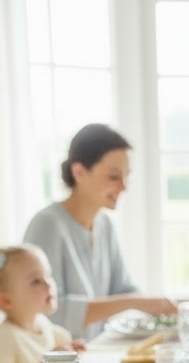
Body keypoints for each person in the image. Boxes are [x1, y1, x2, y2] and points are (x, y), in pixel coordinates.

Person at [23, 124, 176, 340]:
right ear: (79, 172)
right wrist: (134, 302)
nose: (124, 187)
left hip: (95, 347)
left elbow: (123, 288)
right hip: (60, 359)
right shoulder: (47, 225)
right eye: (114, 177)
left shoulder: (104, 224)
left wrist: (156, 304)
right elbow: (47, 309)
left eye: (126, 176)